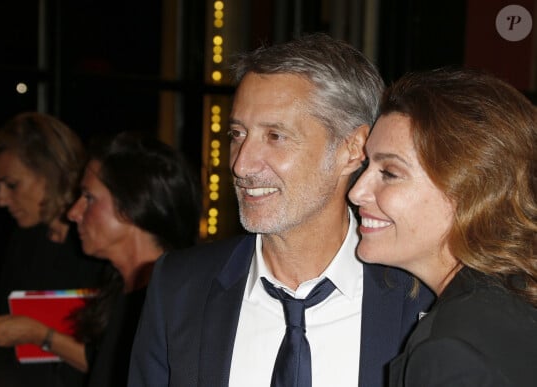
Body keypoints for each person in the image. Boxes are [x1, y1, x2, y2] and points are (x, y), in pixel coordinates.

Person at [128, 33, 434, 387]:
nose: (242, 165)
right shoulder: (179, 288)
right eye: (238, 134)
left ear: (352, 149)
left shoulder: (419, 297)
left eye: (275, 136)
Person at [348, 68, 537, 386]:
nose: (356, 192)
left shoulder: (454, 350)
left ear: (470, 190)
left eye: (390, 172)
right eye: (367, 166)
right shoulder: (514, 297)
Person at [0, 112, 106, 387]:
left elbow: (114, 365)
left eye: (12, 185)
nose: (1, 200)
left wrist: (40, 335)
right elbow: (16, 342)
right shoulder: (27, 238)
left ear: (51, 172)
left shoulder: (99, 247)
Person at [66, 131, 202, 387]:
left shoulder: (178, 306)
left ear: (134, 205)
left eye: (89, 198)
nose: (73, 213)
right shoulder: (120, 290)